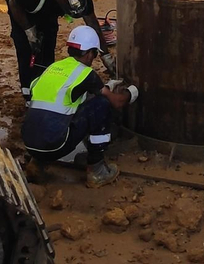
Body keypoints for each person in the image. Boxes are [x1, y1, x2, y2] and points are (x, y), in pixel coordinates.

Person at [21, 25, 135, 187]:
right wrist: (132, 92)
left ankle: (37, 163)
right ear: (89, 54)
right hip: (57, 146)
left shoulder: (53, 68)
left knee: (52, 115)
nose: (93, 57)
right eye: (94, 54)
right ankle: (97, 170)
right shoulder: (86, 74)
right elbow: (116, 102)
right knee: (101, 105)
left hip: (29, 143)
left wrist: (104, 87)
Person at [6, 0, 102, 95]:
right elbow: (14, 5)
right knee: (26, 48)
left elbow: (92, 22)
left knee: (48, 39)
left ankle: (46, 81)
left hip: (48, 5)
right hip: (21, 7)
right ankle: (28, 92)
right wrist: (30, 32)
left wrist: (106, 55)